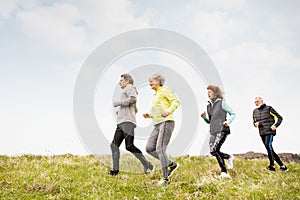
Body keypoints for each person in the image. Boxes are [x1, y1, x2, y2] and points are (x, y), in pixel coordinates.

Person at [110, 73, 154, 176]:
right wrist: (121, 111)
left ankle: (147, 164)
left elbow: (133, 99)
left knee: (129, 146)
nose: (119, 82)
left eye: (121, 80)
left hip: (127, 122)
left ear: (127, 81)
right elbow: (135, 107)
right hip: (122, 121)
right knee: (114, 145)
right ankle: (115, 171)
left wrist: (118, 103)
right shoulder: (128, 90)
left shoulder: (129, 88)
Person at [143, 74, 180, 187]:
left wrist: (169, 111)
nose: (150, 83)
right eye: (149, 81)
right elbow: (158, 111)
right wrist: (149, 115)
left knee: (160, 149)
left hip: (166, 122)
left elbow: (176, 102)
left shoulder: (165, 90)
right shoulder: (156, 94)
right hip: (157, 124)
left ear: (159, 81)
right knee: (149, 148)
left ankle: (165, 179)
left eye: (152, 81)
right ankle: (171, 164)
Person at [201, 85, 236, 178]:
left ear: (215, 93)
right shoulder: (208, 106)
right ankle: (228, 157)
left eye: (210, 92)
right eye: (207, 92)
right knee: (212, 151)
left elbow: (233, 113)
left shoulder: (222, 103)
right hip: (213, 130)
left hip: (222, 129)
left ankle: (224, 172)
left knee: (216, 149)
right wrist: (204, 117)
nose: (208, 94)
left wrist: (228, 121)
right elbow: (210, 121)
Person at [252, 97, 288, 171]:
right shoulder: (254, 111)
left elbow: (280, 118)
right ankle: (282, 166)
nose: (256, 103)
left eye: (257, 101)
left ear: (262, 101)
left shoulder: (269, 108)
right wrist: (255, 124)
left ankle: (272, 166)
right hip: (262, 132)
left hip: (270, 130)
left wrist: (275, 125)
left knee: (268, 145)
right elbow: (254, 122)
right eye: (255, 102)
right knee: (269, 148)